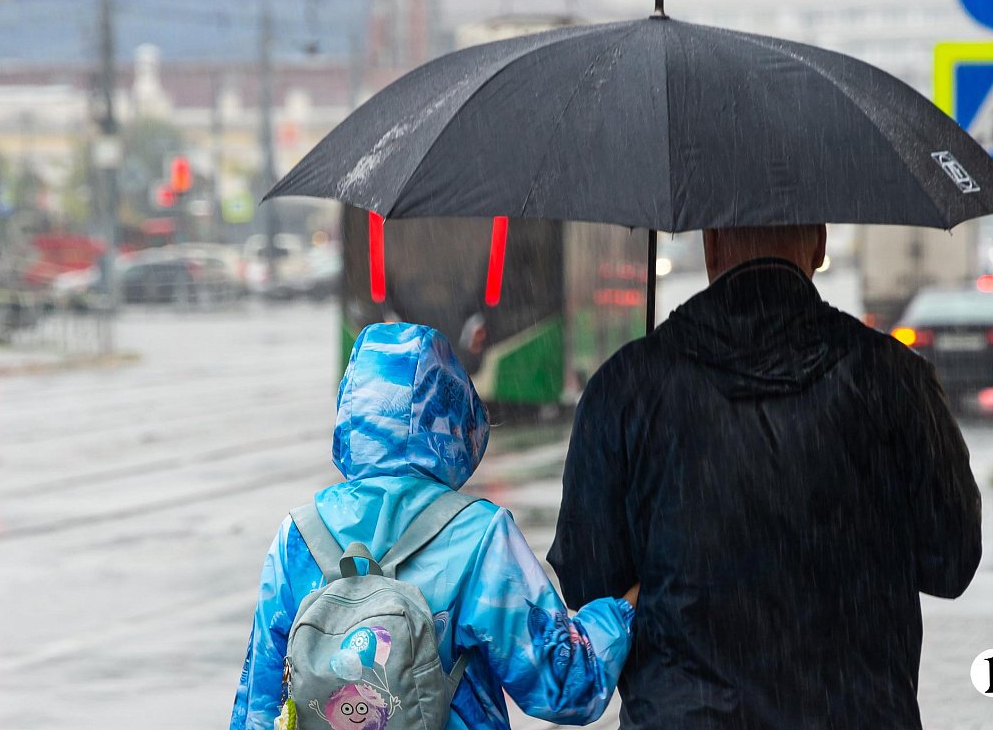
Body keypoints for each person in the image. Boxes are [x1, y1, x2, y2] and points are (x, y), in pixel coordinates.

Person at [548, 225, 982, 729]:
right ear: (818, 245)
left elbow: (589, 585)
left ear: (711, 246)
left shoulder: (623, 388)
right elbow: (951, 563)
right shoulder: (894, 379)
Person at [231, 322, 639, 730]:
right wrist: (624, 608)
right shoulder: (478, 535)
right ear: (452, 416)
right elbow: (566, 686)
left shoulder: (296, 536)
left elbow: (258, 707)